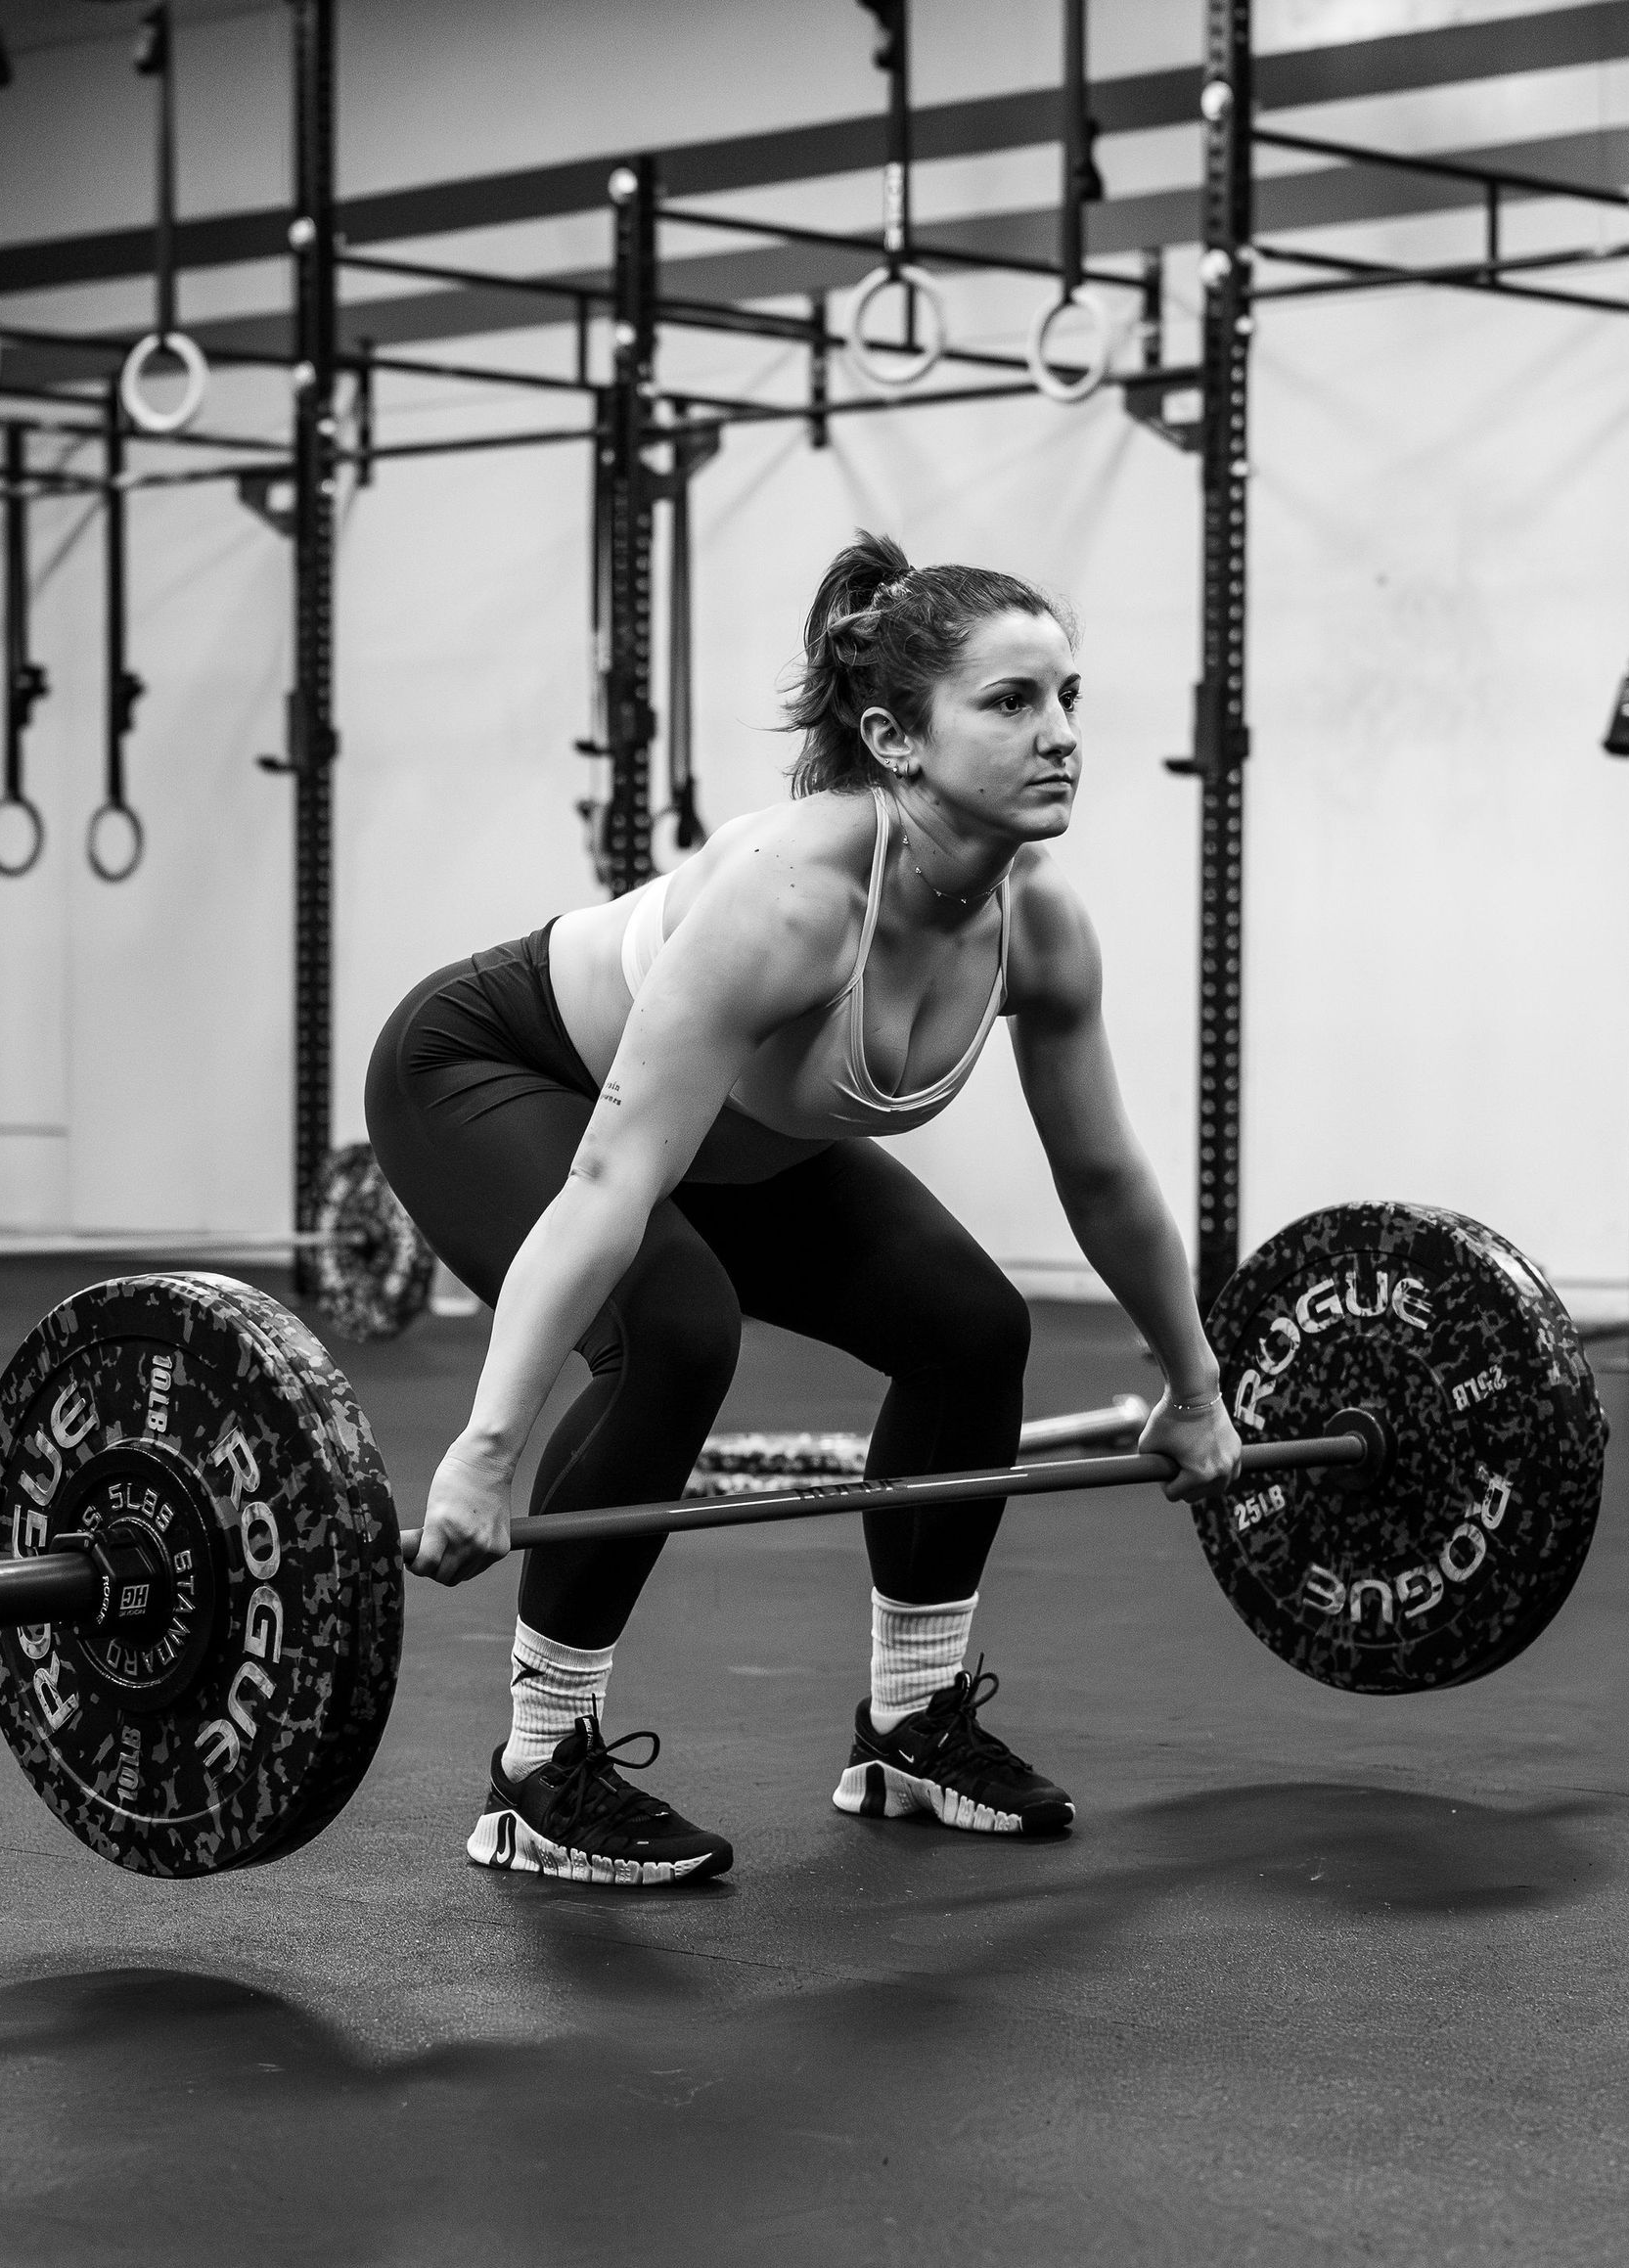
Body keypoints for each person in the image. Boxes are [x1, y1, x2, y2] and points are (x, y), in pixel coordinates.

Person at [364, 530, 1242, 1889]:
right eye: (1010, 703)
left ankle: (910, 1727)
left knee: (968, 1326)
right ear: (895, 738)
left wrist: (1192, 1384)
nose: (1059, 732)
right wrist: (486, 1448)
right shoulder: (792, 898)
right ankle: (539, 1770)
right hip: (500, 1071)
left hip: (730, 1143)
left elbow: (1107, 1177)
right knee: (676, 1325)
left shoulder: (1041, 924)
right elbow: (609, 1178)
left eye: (1069, 696)